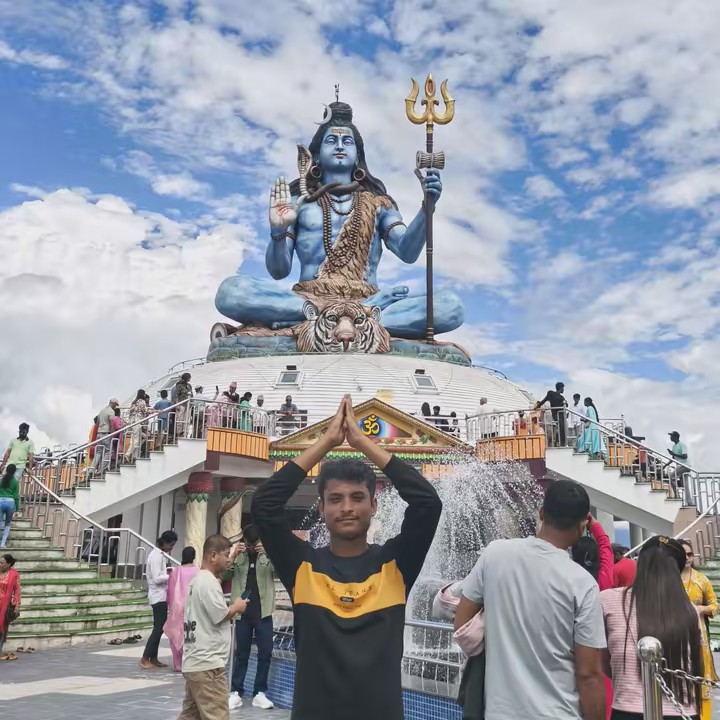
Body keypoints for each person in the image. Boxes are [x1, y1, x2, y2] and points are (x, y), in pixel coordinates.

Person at [251, 395, 442, 720]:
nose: (347, 507)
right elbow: (264, 505)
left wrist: (363, 443)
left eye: (357, 497)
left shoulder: (395, 566)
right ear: (322, 508)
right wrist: (326, 442)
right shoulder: (302, 568)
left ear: (373, 506)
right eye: (336, 499)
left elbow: (427, 503)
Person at [214, 100, 462, 340]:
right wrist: (278, 232)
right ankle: (351, 318)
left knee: (450, 306)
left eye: (347, 141)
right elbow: (279, 271)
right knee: (231, 291)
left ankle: (330, 318)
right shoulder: (300, 202)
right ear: (316, 156)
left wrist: (427, 207)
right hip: (309, 300)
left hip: (367, 300)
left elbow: (407, 252)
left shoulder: (379, 203)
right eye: (332, 140)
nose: (340, 146)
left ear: (357, 155)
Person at [455, 479, 606, 720]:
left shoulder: (495, 554)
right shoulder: (583, 583)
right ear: (582, 526)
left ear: (542, 513)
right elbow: (588, 675)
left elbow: (462, 625)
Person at [601, 536, 703, 719]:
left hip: (628, 710)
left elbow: (605, 663)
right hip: (683, 712)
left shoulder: (607, 600)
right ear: (678, 569)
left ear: (639, 565)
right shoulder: (690, 611)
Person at [179, 535, 248, 720]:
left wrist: (233, 557)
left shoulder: (198, 580)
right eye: (226, 555)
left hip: (195, 662)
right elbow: (220, 615)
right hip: (208, 665)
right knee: (217, 715)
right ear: (213, 556)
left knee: (190, 716)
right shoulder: (208, 582)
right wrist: (237, 607)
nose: (228, 559)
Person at [226, 524, 276, 710]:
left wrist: (270, 553)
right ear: (244, 541)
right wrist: (233, 555)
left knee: (265, 653)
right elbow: (224, 575)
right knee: (241, 654)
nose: (252, 547)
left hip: (263, 612)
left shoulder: (267, 555)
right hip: (242, 614)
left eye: (254, 544)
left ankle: (259, 693)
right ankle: (236, 692)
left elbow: (280, 572)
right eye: (249, 544)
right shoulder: (239, 556)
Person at [571, 515, 615, 719]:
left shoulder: (569, 580)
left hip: (573, 646)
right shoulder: (604, 578)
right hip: (601, 647)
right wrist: (593, 523)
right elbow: (605, 546)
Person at [680, 539, 718, 720]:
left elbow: (714, 605)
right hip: (675, 636)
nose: (687, 558)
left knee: (702, 685)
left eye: (690, 554)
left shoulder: (702, 580)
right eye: (683, 555)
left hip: (699, 638)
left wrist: (701, 609)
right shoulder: (669, 580)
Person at [140, 530, 178, 670]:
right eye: (171, 545)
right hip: (158, 596)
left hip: (161, 595)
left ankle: (153, 657)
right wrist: (171, 576)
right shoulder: (156, 556)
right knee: (158, 629)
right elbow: (156, 579)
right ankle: (145, 657)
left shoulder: (159, 555)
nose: (171, 548)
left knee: (159, 628)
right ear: (165, 543)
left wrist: (167, 572)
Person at [164, 546, 199, 673]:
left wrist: (170, 605)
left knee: (176, 634)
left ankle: (177, 663)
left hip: (177, 608)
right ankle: (188, 662)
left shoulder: (175, 571)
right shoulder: (198, 571)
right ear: (194, 557)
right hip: (192, 607)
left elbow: (170, 591)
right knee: (190, 633)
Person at [535, 382, 568, 446]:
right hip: (557, 415)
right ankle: (562, 443)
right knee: (560, 429)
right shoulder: (552, 394)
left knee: (561, 429)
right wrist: (537, 406)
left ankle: (562, 442)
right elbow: (544, 400)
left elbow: (566, 405)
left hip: (559, 415)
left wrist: (538, 406)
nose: (563, 390)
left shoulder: (560, 397)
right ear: (561, 388)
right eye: (563, 388)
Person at [0, 553, 20, 661]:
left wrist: (17, 604)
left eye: (2, 563)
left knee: (2, 627)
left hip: (4, 604)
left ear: (8, 564)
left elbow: (17, 590)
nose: (0, 564)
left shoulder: (14, 574)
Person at [92, 399, 119, 472]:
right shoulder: (111, 411)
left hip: (99, 434)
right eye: (115, 404)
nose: (115, 406)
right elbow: (111, 422)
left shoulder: (102, 410)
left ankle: (91, 470)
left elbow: (97, 423)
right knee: (109, 451)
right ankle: (102, 469)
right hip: (106, 434)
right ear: (113, 403)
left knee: (98, 452)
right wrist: (112, 433)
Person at [125, 389, 151, 463]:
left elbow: (130, 412)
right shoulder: (142, 402)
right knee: (136, 440)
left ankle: (134, 456)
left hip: (132, 422)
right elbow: (145, 411)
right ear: (143, 394)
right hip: (138, 422)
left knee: (135, 439)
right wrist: (155, 411)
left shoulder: (133, 403)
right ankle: (128, 454)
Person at [667, 431, 692, 503]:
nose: (670, 437)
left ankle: (677, 495)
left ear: (675, 437)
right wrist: (665, 465)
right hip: (680, 466)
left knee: (671, 477)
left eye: (671, 436)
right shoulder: (674, 446)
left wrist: (674, 453)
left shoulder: (681, 444)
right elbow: (673, 458)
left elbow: (685, 456)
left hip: (685, 465)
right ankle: (689, 502)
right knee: (685, 485)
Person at [0, 465, 20, 549]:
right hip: (10, 502)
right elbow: (16, 497)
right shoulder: (15, 482)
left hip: (0, 501)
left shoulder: (1, 480)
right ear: (14, 471)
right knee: (7, 524)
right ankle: (2, 544)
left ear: (6, 470)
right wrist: (17, 510)